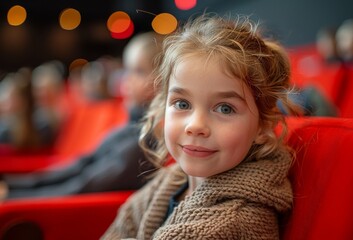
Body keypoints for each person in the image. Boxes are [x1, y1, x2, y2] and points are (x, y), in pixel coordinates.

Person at [101, 14, 299, 239]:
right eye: (182, 104)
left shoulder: (232, 224)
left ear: (263, 126)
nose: (195, 126)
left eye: (225, 108)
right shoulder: (172, 180)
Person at [0, 31, 163, 200]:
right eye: (126, 70)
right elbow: (79, 167)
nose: (125, 80)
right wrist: (11, 186)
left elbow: (83, 186)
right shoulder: (128, 130)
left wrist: (12, 195)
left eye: (137, 71)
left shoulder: (144, 143)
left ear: (161, 81)